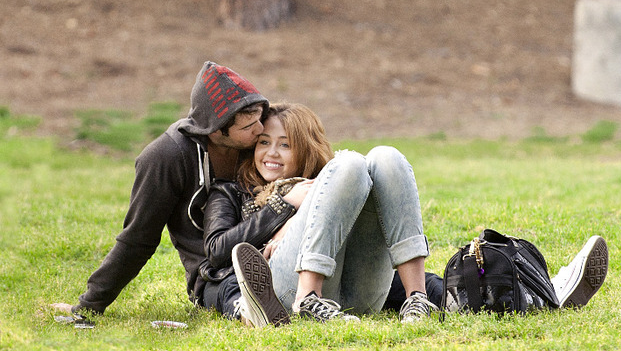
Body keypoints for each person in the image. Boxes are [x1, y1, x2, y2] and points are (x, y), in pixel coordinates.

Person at [52, 61, 269, 316]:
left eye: (260, 118)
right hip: (217, 276)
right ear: (215, 130)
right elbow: (138, 239)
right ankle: (249, 308)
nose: (261, 129)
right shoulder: (166, 157)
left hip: (277, 251)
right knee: (231, 289)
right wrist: (89, 305)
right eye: (248, 126)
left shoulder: (265, 138)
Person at [203, 102, 439, 326]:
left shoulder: (334, 183)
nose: (271, 153)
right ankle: (309, 298)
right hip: (285, 288)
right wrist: (284, 207)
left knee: (387, 157)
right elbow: (216, 251)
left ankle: (417, 298)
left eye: (285, 145)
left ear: (306, 150)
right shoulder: (231, 191)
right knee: (350, 161)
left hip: (361, 294)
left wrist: (449, 289)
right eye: (264, 142)